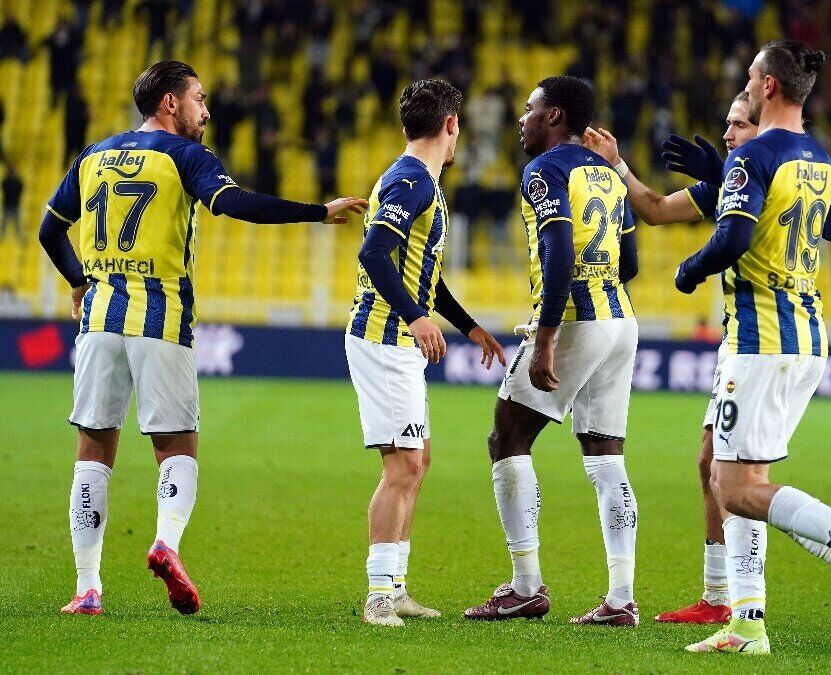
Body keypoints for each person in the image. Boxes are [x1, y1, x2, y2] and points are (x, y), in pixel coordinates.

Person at [586, 88, 831, 632]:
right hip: (767, 340)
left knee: (740, 482)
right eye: (727, 123)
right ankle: (727, 596)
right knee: (714, 463)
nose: (727, 133)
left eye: (738, 124)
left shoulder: (766, 176)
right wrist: (621, 167)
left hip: (766, 340)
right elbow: (654, 209)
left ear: (764, 127)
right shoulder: (748, 178)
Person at [41, 60, 367, 617]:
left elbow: (50, 229)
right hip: (160, 317)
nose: (207, 111)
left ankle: (87, 588)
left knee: (93, 450)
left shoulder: (93, 155)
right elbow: (236, 204)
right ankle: (165, 543)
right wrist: (318, 211)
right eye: (199, 99)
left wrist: (78, 280)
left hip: (97, 321)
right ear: (170, 103)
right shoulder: (185, 155)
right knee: (177, 446)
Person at [464, 76, 642, 626]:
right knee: (606, 456)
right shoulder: (609, 173)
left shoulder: (545, 169)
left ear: (554, 116)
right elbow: (631, 263)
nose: (522, 119)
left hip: (575, 319)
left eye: (530, 108)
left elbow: (560, 250)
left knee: (508, 435)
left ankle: (525, 586)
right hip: (620, 319)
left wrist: (545, 339)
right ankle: (621, 598)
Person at [347, 79, 507, 627]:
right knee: (404, 465)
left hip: (397, 337)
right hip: (384, 337)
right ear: (451, 124)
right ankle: (378, 595)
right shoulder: (412, 181)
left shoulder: (419, 181)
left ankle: (395, 587)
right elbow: (375, 253)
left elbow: (421, 275)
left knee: (417, 462)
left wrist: (468, 326)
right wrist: (416, 318)